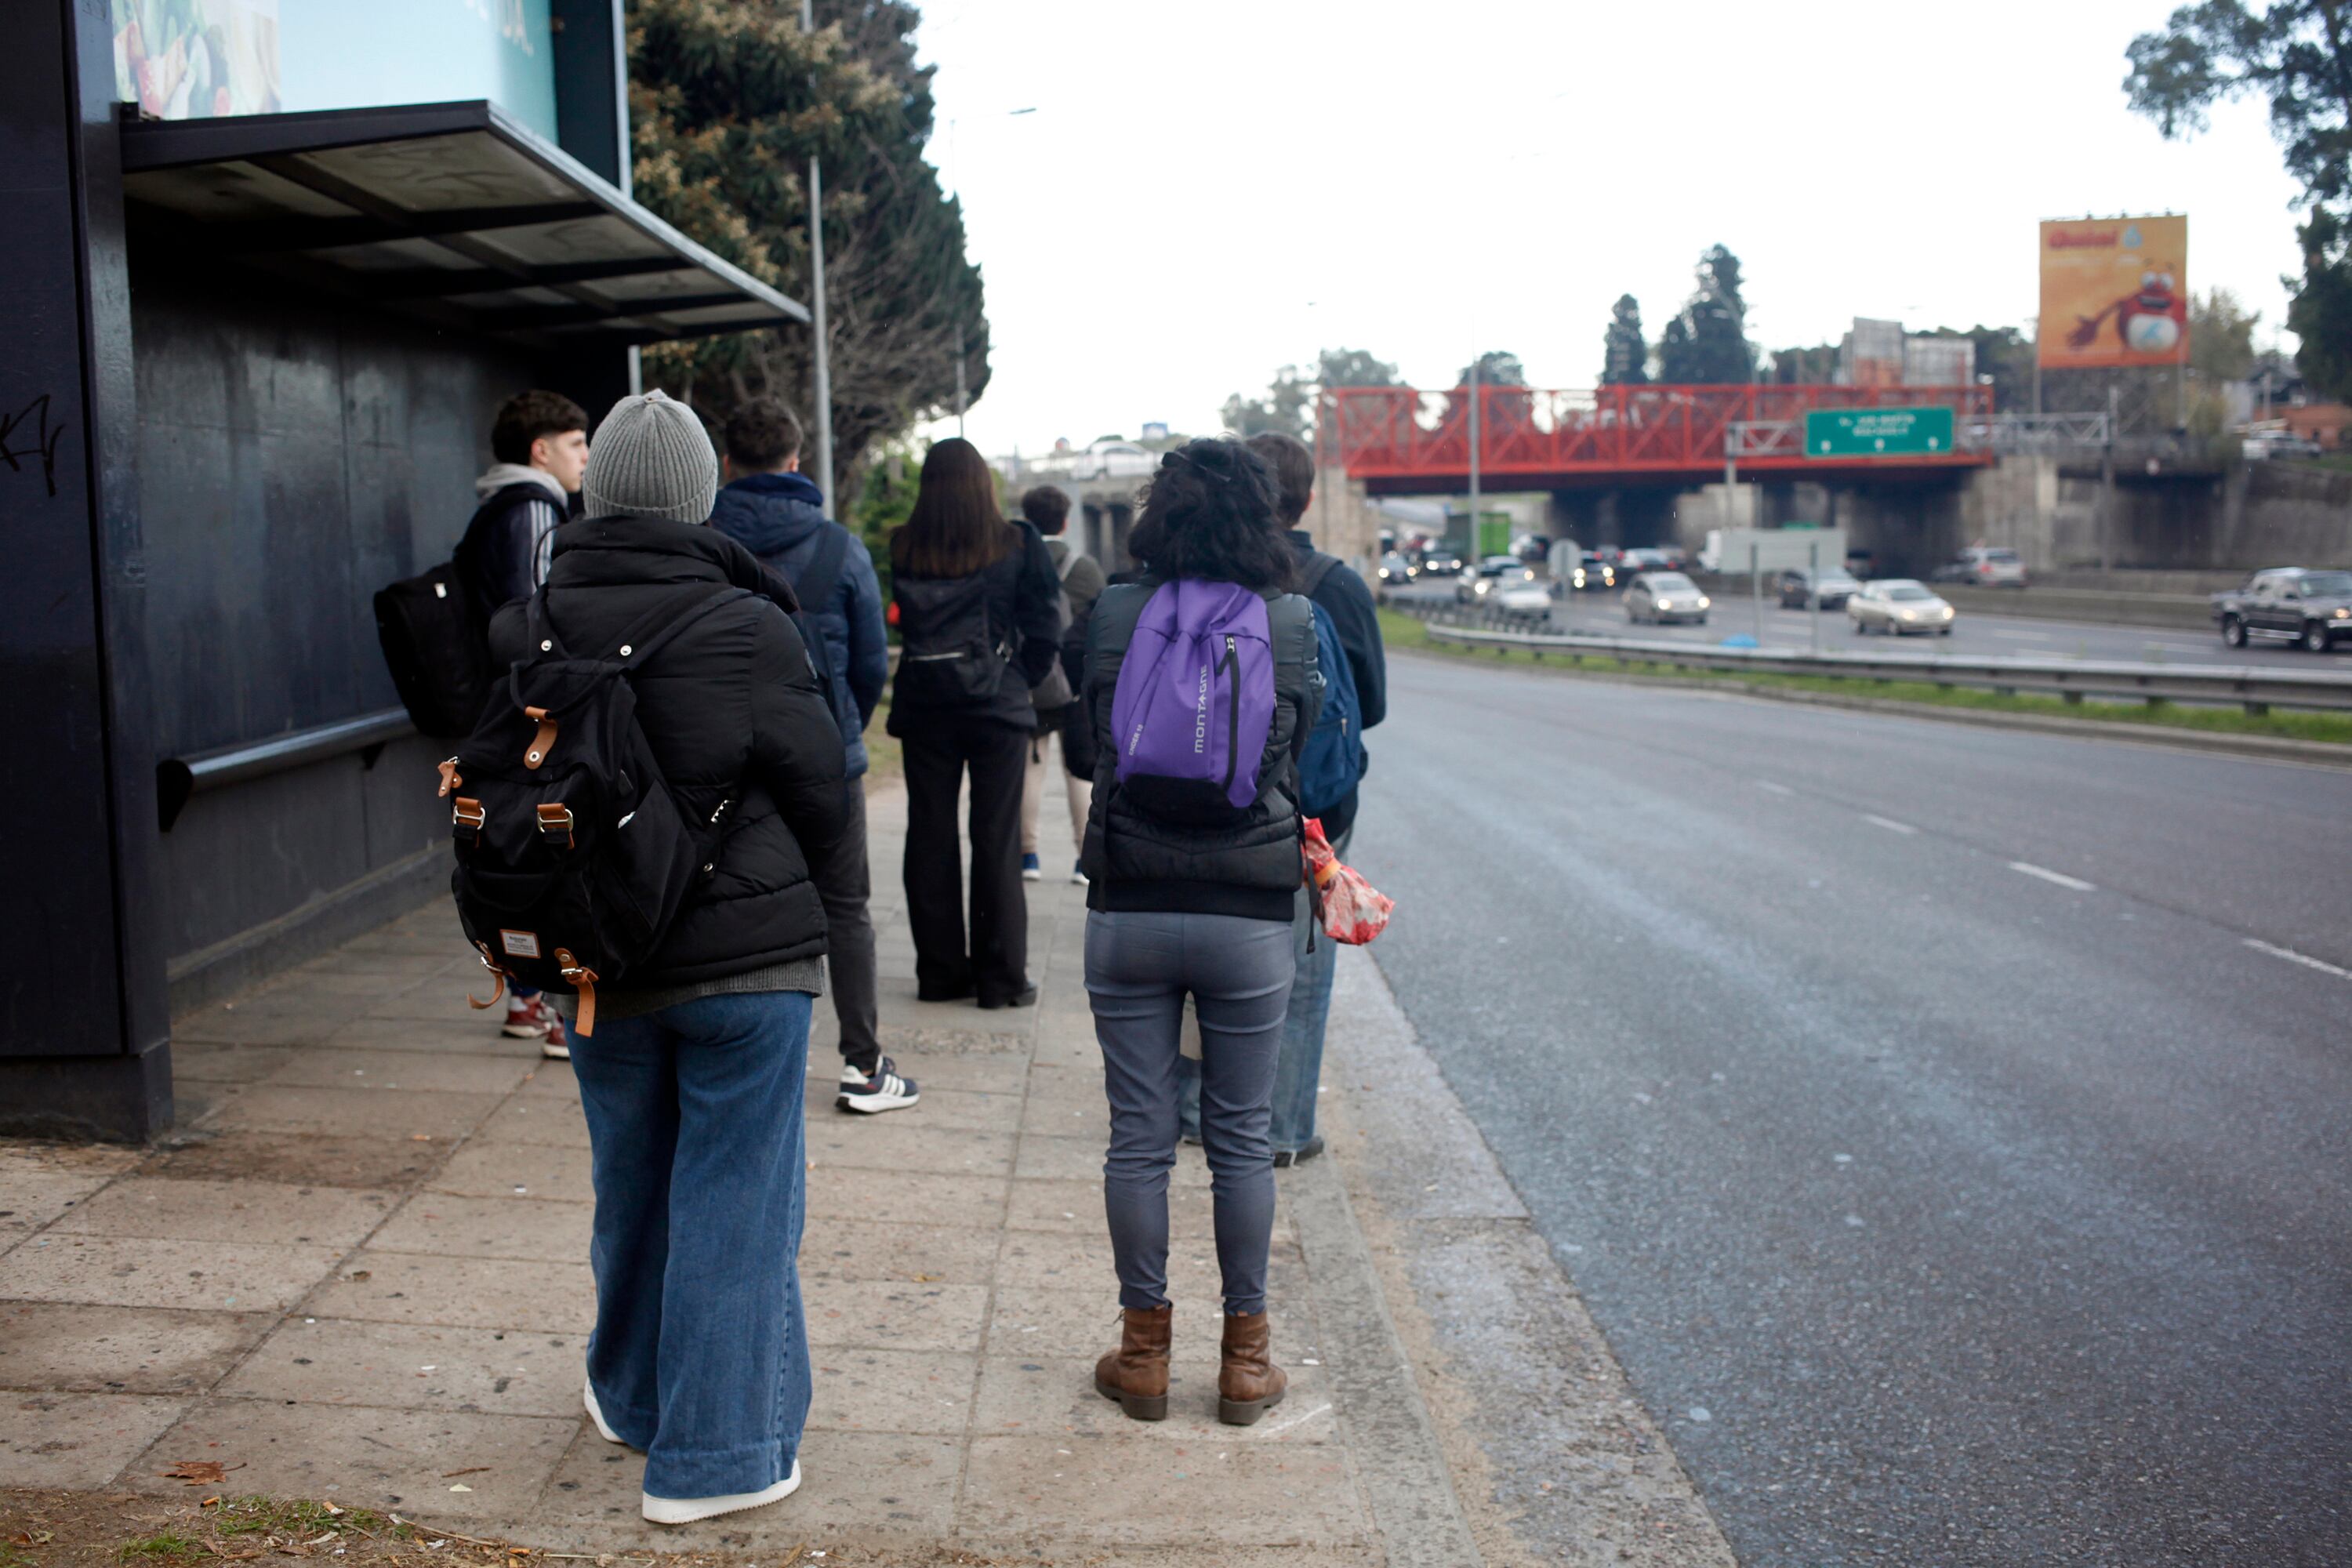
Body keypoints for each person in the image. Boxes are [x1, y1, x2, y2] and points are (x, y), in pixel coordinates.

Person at [486, 390, 846, 1526]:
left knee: (632, 1184)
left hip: (595, 954)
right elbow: (825, 791)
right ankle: (721, 1457)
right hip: (742, 963)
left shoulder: (536, 615)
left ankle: (630, 1391)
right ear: (702, 498)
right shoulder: (750, 622)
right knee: (737, 1201)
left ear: (599, 492)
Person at [1077, 438, 1319, 1428]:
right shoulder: (1291, 620)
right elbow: (1307, 747)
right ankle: (1245, 1361)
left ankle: (1142, 1355)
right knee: (1241, 1141)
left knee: (1139, 1137)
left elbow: (1099, 741)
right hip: (1249, 912)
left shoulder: (1115, 614)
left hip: (1128, 902)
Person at [1174, 431, 1386, 1165]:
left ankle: (1196, 1111)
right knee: (1301, 969)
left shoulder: (1192, 580)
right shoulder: (1334, 586)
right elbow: (1372, 708)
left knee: (1207, 965)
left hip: (1215, 798)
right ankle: (1285, 1128)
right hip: (1315, 818)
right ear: (1304, 500)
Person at [710, 399, 910, 1116]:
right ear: (797, 461)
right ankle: (862, 1063)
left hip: (722, 762)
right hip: (827, 762)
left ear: (727, 463)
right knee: (846, 909)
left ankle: (734, 1058)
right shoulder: (839, 547)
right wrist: (839, 725)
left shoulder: (701, 542)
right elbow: (866, 666)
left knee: (723, 900)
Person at [884, 439, 1062, 1009]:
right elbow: (1046, 626)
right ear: (984, 483)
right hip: (996, 708)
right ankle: (1001, 978)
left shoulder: (904, 544)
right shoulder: (1017, 541)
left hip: (925, 705)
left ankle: (939, 974)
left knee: (929, 836)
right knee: (997, 839)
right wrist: (1017, 678)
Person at [456, 390, 590, 1058]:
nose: (586, 458)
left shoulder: (496, 505)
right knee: (549, 860)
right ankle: (559, 1012)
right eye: (576, 444)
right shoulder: (536, 504)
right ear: (541, 450)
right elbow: (540, 618)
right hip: (531, 718)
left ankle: (525, 999)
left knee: (515, 854)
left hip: (500, 712)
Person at [1015, 485, 1106, 887]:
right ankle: (1082, 859)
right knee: (1078, 773)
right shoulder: (1085, 569)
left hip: (1031, 680)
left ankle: (1028, 855)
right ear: (1066, 522)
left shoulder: (1015, 561)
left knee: (1030, 770)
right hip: (1073, 683)